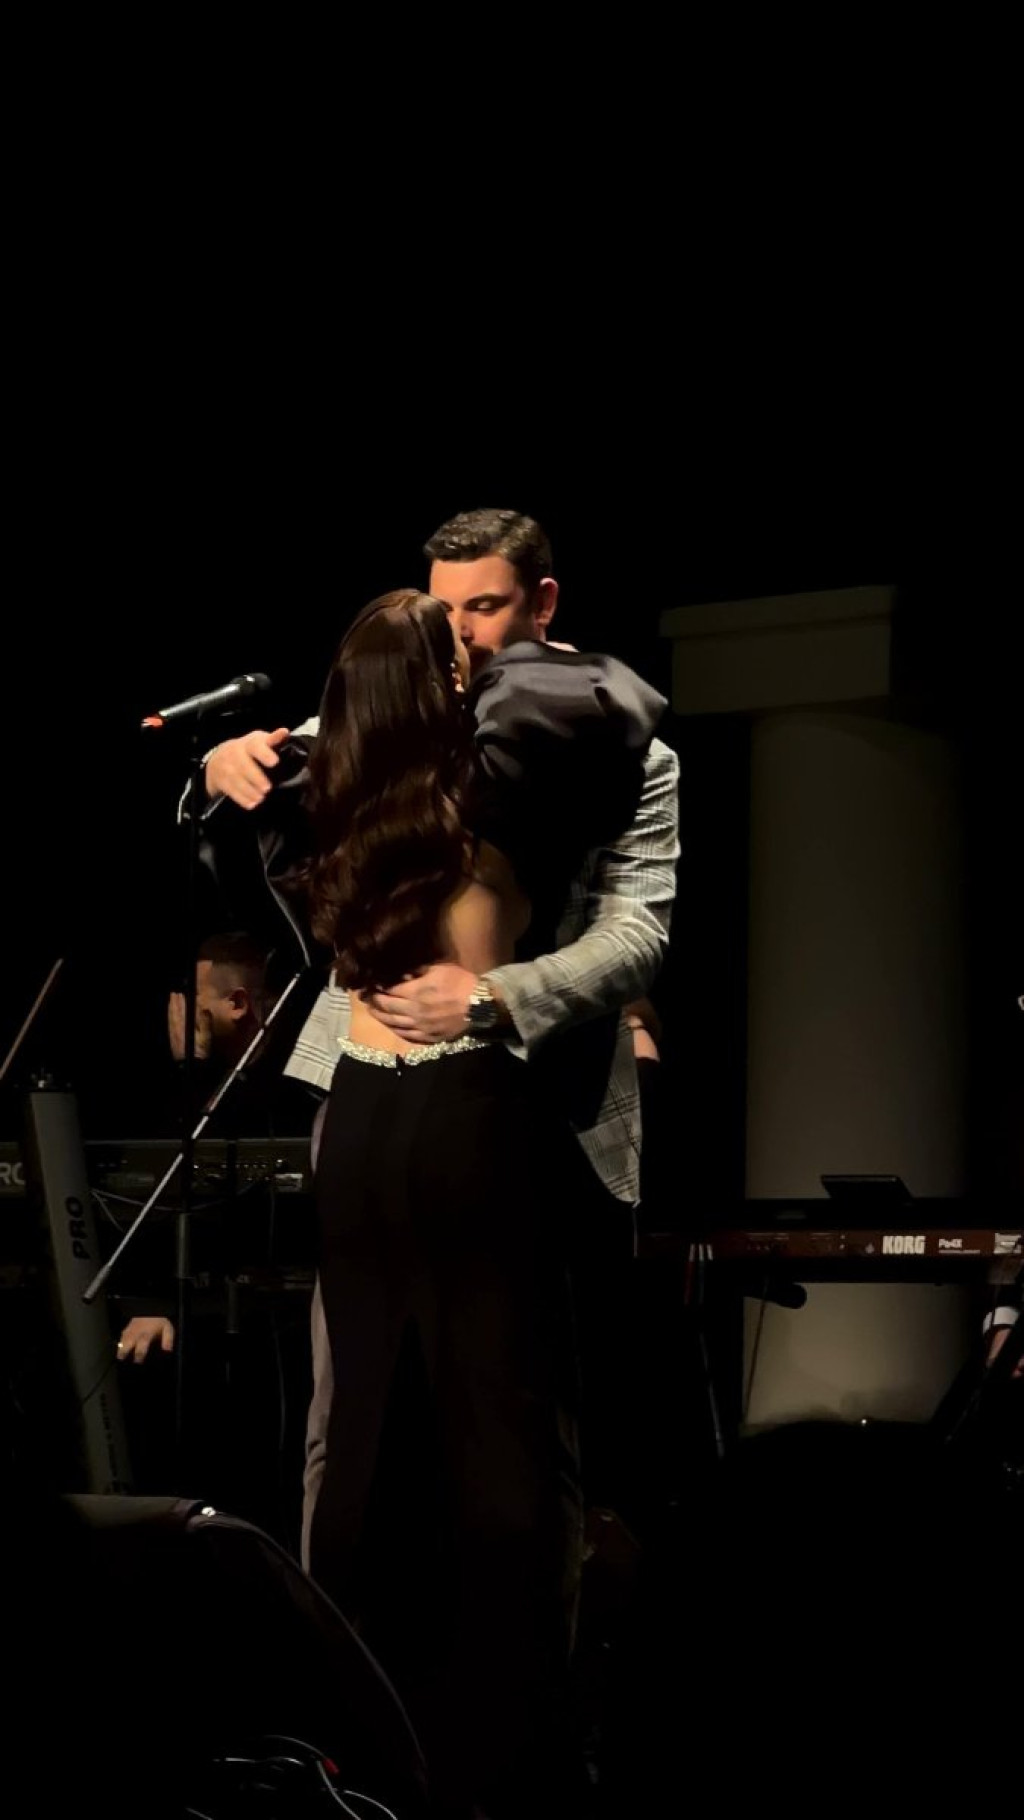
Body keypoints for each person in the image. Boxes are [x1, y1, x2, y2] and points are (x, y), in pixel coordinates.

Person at [200, 581, 670, 1818]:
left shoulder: (330, 808)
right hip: (467, 1104)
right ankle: (513, 1746)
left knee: (353, 1429)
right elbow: (618, 703)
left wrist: (247, 751)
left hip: (363, 1112)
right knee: (498, 1430)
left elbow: (255, 813)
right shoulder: (496, 787)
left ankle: (350, 1734)